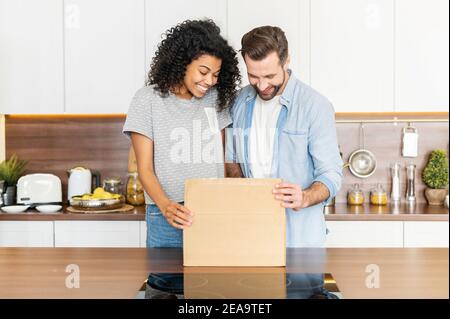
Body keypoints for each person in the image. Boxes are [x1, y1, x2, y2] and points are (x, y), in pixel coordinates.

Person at [123, 19, 240, 248]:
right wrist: (166, 206)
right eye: (204, 71)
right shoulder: (147, 100)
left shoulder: (216, 99)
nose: (210, 81)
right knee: (165, 283)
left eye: (216, 74)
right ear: (183, 62)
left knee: (213, 282)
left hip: (212, 211)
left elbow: (224, 160)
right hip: (165, 215)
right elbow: (144, 168)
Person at [226, 26, 343, 247]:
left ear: (286, 60)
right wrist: (242, 190)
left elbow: (331, 173)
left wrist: (305, 197)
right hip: (251, 233)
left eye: (270, 76)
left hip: (300, 239)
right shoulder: (239, 102)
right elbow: (231, 159)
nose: (261, 85)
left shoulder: (315, 106)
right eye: (253, 76)